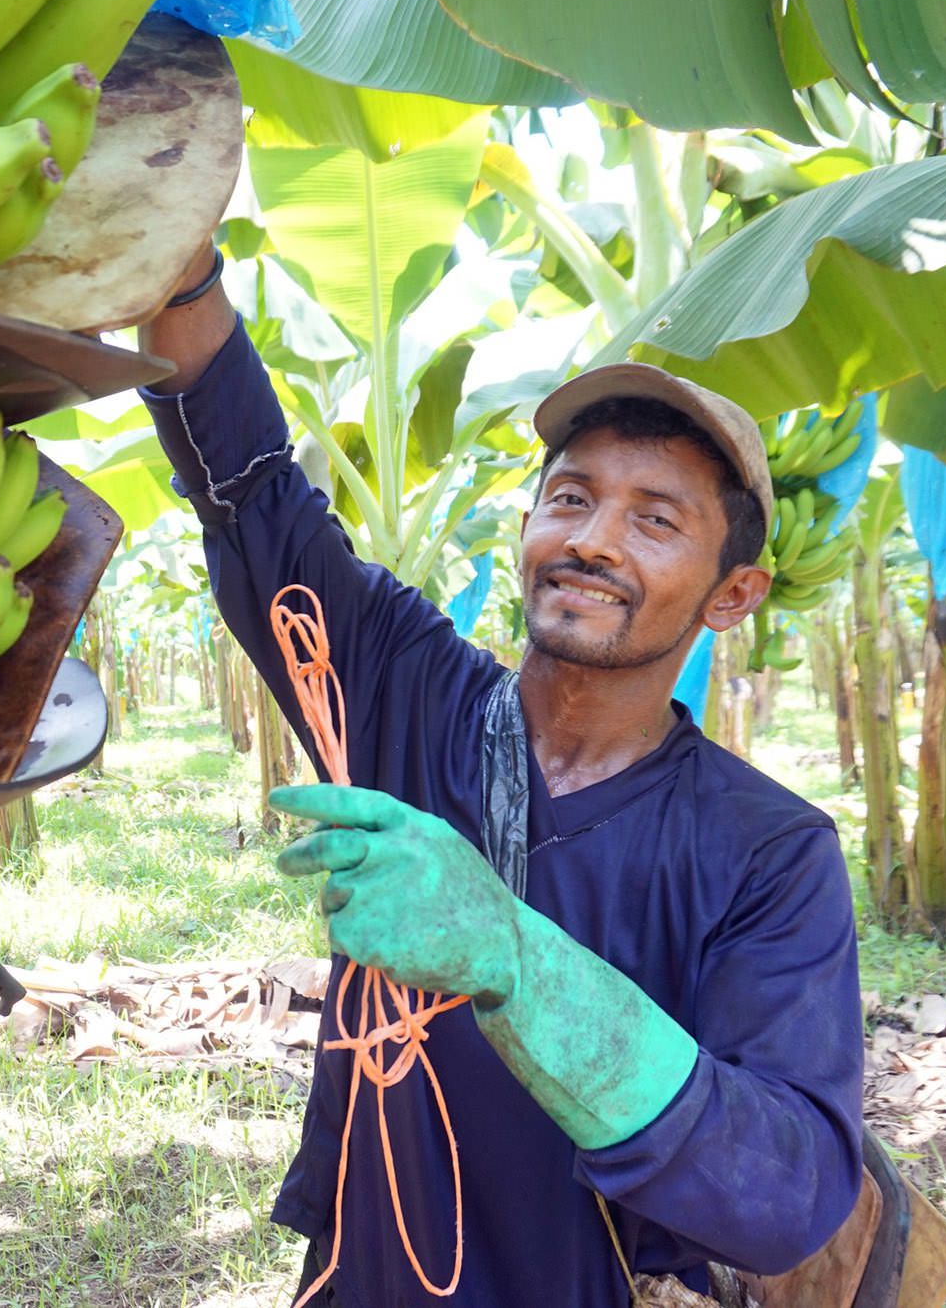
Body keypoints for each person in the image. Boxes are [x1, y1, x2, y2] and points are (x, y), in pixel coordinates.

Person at [136, 245, 864, 1307]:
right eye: (567, 498)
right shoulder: (401, 683)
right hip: (369, 1275)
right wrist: (178, 261)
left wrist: (511, 955)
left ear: (731, 593)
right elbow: (246, 486)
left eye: (654, 519)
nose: (592, 539)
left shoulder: (767, 850)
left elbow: (786, 1192)